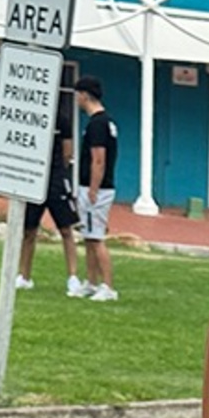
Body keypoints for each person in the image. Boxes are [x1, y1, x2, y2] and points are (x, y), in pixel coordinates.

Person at [16, 127, 84, 295]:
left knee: (66, 229)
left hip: (56, 180)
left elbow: (67, 153)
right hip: (35, 179)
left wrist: (58, 172)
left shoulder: (62, 119)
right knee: (29, 230)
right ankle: (24, 276)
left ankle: (73, 277)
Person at [74, 77, 119, 302]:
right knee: (89, 236)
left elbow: (98, 159)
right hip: (94, 187)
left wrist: (93, 189)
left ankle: (107, 285)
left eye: (77, 95)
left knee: (96, 237)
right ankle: (91, 282)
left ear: (84, 95)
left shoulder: (98, 124)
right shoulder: (104, 122)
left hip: (97, 189)